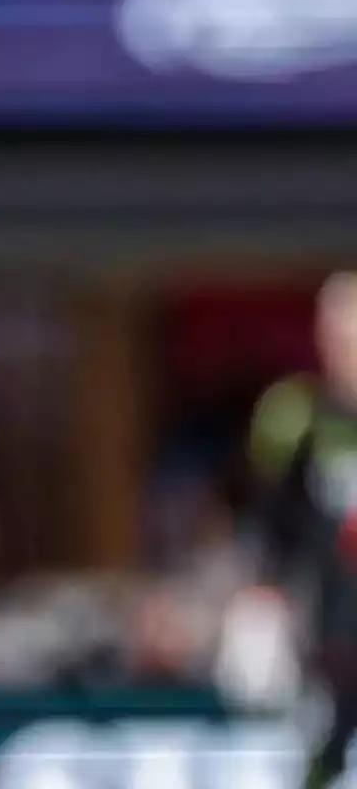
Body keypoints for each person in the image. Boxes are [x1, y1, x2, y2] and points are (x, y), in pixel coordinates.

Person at [227, 273, 357, 789]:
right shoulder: (299, 415)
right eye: (340, 334)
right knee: (321, 744)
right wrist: (263, 597)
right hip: (328, 623)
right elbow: (267, 519)